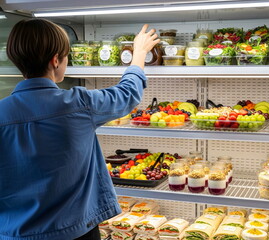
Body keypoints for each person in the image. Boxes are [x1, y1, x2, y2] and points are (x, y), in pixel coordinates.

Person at [0, 19, 160, 240]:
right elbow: (127, 94)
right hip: (75, 232)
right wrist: (139, 52)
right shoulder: (79, 103)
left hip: (14, 234)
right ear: (56, 60)